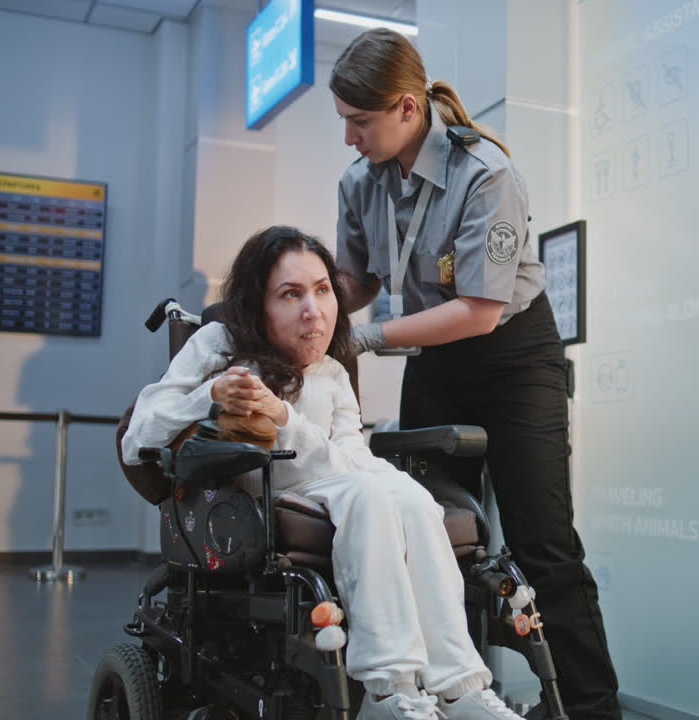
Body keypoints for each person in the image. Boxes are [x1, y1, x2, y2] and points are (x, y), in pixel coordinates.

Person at [330, 29, 622, 720]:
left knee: (542, 544)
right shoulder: (358, 181)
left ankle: (592, 710)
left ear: (405, 108)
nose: (349, 138)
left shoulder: (484, 172)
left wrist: (362, 337)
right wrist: (303, 303)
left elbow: (481, 310)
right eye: (343, 122)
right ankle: (458, 700)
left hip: (513, 356)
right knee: (431, 537)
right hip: (436, 358)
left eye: (360, 122)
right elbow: (357, 279)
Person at [121, 226, 527, 720]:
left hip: (333, 481)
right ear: (257, 305)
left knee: (415, 499)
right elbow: (139, 430)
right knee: (371, 496)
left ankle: (458, 685)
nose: (313, 311)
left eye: (322, 290)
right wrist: (209, 395)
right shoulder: (219, 342)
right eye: (290, 294)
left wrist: (285, 420)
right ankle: (388, 690)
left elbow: (349, 457)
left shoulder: (332, 371)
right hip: (251, 492)